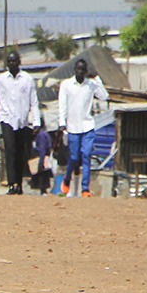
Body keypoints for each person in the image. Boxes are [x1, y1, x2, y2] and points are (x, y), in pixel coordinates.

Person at [58, 58, 108, 197]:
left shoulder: (91, 85)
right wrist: (62, 123)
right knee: (74, 157)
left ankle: (85, 188)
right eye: (78, 69)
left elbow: (104, 96)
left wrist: (96, 78)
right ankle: (67, 178)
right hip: (73, 127)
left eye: (83, 70)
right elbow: (62, 105)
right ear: (75, 70)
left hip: (87, 126)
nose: (80, 72)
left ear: (86, 72)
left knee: (86, 155)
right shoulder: (66, 85)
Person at [0, 51, 40, 195]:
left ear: (19, 62)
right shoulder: (1, 80)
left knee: (20, 153)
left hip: (22, 121)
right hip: (6, 120)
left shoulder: (27, 79)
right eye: (9, 61)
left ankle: (18, 184)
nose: (11, 63)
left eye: (14, 61)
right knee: (10, 151)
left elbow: (34, 102)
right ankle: (12, 183)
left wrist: (36, 121)